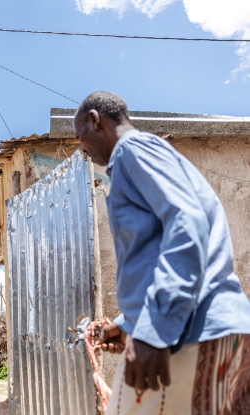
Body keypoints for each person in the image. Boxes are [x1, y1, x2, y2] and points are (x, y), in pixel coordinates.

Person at [73, 91, 250, 414]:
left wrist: (153, 330)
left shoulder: (131, 150)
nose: (80, 146)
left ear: (95, 120)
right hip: (211, 328)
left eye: (79, 134)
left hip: (189, 333)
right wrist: (128, 325)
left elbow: (187, 223)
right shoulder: (145, 158)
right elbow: (157, 250)